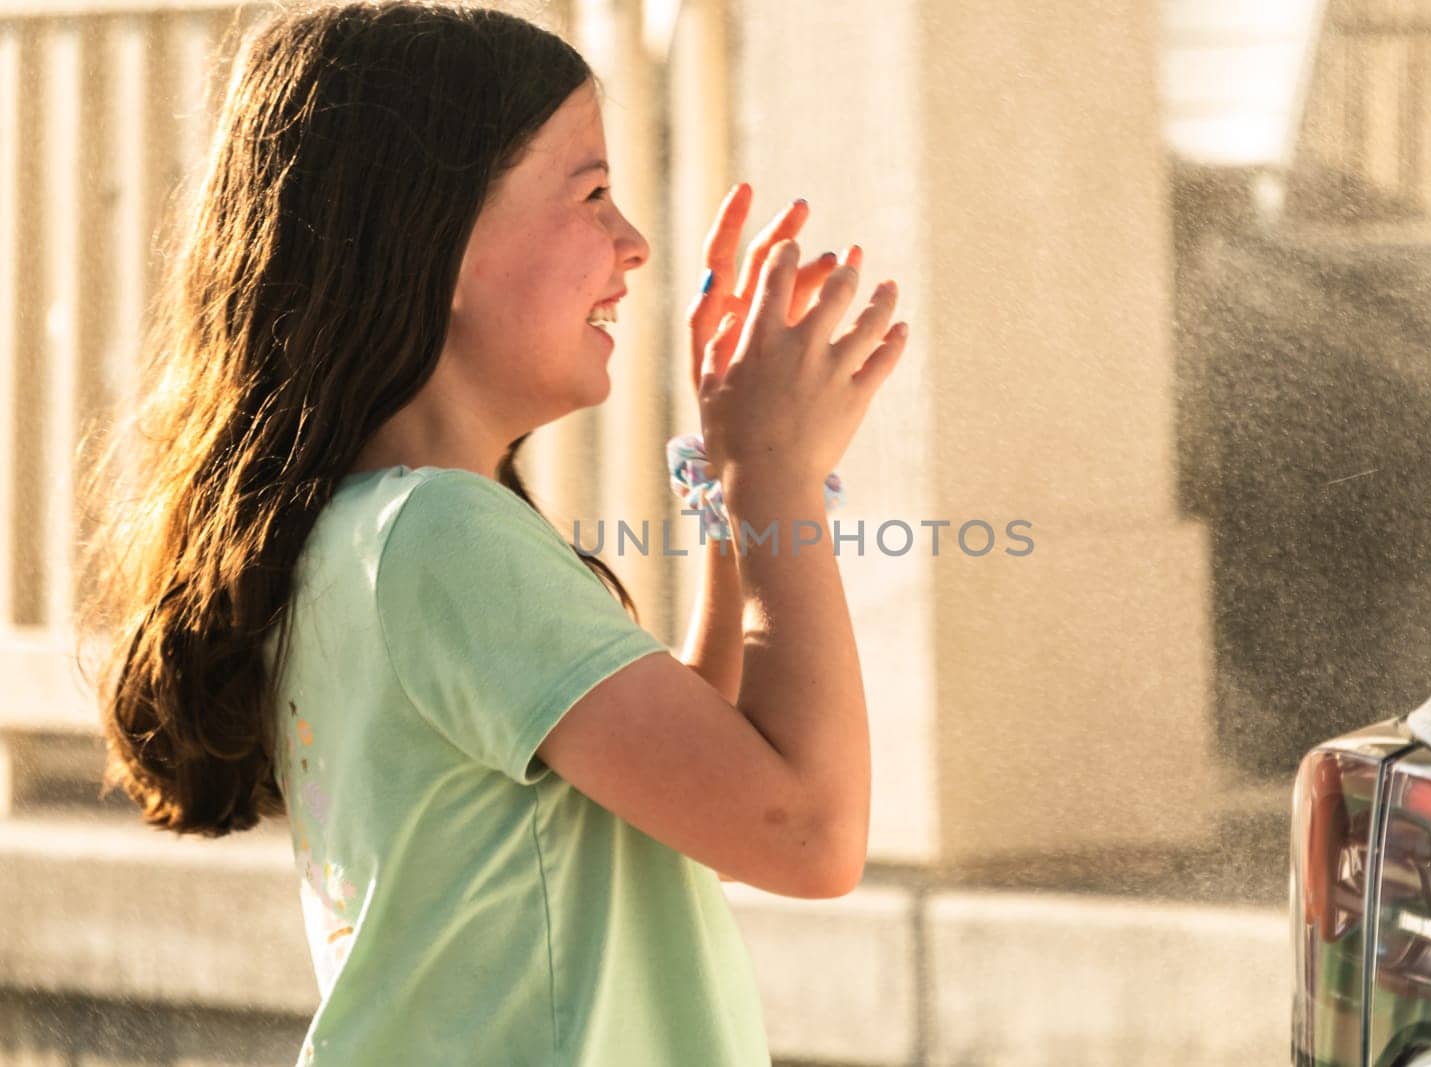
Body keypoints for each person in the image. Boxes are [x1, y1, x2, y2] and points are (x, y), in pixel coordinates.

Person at [75, 1, 909, 1064]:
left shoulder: (372, 529)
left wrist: (735, 487)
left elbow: (688, 793)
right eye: (594, 193)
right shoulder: (440, 536)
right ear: (440, 238)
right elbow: (806, 831)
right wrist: (774, 477)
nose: (635, 243)